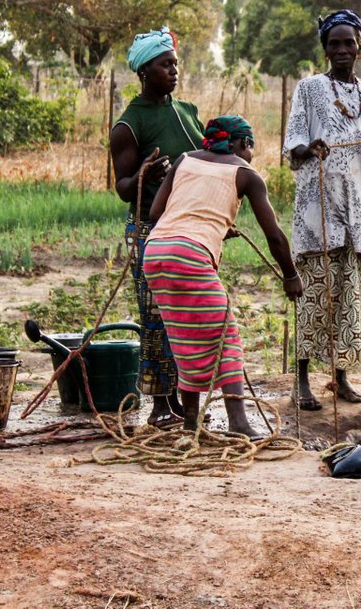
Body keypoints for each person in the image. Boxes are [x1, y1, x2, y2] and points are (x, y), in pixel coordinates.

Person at [142, 116, 303, 436]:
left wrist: (210, 224)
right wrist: (291, 275)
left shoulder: (185, 160)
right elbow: (274, 236)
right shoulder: (246, 174)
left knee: (182, 339)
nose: (251, 154)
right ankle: (240, 423)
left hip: (156, 252)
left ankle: (190, 421)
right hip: (189, 255)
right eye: (251, 147)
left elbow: (156, 214)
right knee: (226, 337)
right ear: (242, 144)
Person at [284, 9, 361, 410]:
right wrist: (308, 149)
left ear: (360, 46)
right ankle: (301, 382)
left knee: (350, 294)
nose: (342, 50)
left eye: (349, 42)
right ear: (325, 49)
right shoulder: (310, 89)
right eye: (334, 44)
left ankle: (341, 378)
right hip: (320, 208)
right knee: (315, 293)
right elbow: (293, 144)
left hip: (359, 208)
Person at [110, 28, 204, 428]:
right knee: (156, 316)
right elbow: (122, 187)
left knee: (189, 315)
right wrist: (145, 173)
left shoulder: (187, 112)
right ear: (144, 71)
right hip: (151, 228)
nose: (174, 70)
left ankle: (186, 399)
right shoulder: (128, 126)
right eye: (165, 65)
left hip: (191, 227)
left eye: (175, 63)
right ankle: (160, 403)